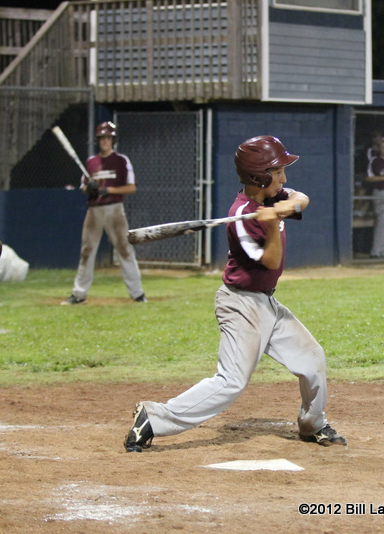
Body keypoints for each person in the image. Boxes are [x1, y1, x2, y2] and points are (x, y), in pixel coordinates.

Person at [124, 135, 346, 452]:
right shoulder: (241, 218)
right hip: (241, 305)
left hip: (266, 302)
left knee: (312, 359)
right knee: (231, 382)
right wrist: (272, 224)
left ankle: (313, 424)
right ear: (259, 177)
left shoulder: (271, 197)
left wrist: (286, 206)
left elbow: (301, 197)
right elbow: (271, 260)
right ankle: (153, 418)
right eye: (278, 172)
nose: (284, 178)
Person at [61, 121, 145, 305]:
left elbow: (131, 187)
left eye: (108, 138)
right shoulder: (91, 162)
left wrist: (108, 190)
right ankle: (79, 294)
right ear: (98, 140)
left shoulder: (121, 161)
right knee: (87, 251)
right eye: (102, 138)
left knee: (124, 249)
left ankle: (138, 294)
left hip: (115, 211)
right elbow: (84, 186)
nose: (105, 141)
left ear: (113, 140)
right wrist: (89, 188)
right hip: (94, 211)